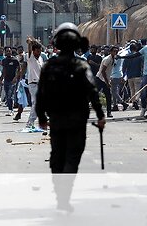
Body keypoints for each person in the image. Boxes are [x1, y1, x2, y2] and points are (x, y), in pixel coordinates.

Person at [36, 23, 105, 212]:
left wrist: (41, 116)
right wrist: (100, 115)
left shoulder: (49, 65)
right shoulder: (81, 65)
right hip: (77, 120)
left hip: (56, 119)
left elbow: (40, 94)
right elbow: (92, 91)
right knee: (72, 157)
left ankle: (60, 195)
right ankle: (64, 196)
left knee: (57, 156)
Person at [23, 37, 44, 128]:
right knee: (36, 102)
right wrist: (29, 43)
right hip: (33, 84)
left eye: (40, 51)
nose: (39, 53)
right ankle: (30, 123)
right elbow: (29, 50)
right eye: (38, 51)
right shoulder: (30, 57)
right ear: (34, 51)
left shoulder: (40, 59)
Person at [96, 46, 118, 118]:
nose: (115, 52)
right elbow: (103, 71)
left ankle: (109, 112)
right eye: (114, 51)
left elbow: (109, 71)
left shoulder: (113, 58)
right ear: (110, 52)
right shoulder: (107, 59)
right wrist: (107, 82)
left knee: (108, 96)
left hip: (105, 79)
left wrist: (109, 79)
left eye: (116, 51)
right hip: (100, 79)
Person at [122, 43, 143, 110]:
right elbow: (142, 66)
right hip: (138, 75)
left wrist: (123, 75)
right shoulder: (139, 56)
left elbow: (124, 67)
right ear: (136, 48)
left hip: (129, 76)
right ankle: (136, 100)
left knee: (132, 90)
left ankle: (134, 101)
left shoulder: (127, 56)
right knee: (138, 90)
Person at [0, 47, 20, 116]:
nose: (8, 52)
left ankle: (11, 110)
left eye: (9, 51)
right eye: (7, 51)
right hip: (6, 80)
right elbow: (4, 70)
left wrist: (15, 78)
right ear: (5, 52)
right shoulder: (4, 60)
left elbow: (19, 70)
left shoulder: (15, 60)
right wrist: (1, 78)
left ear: (11, 51)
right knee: (7, 95)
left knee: (10, 95)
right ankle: (9, 109)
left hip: (13, 80)